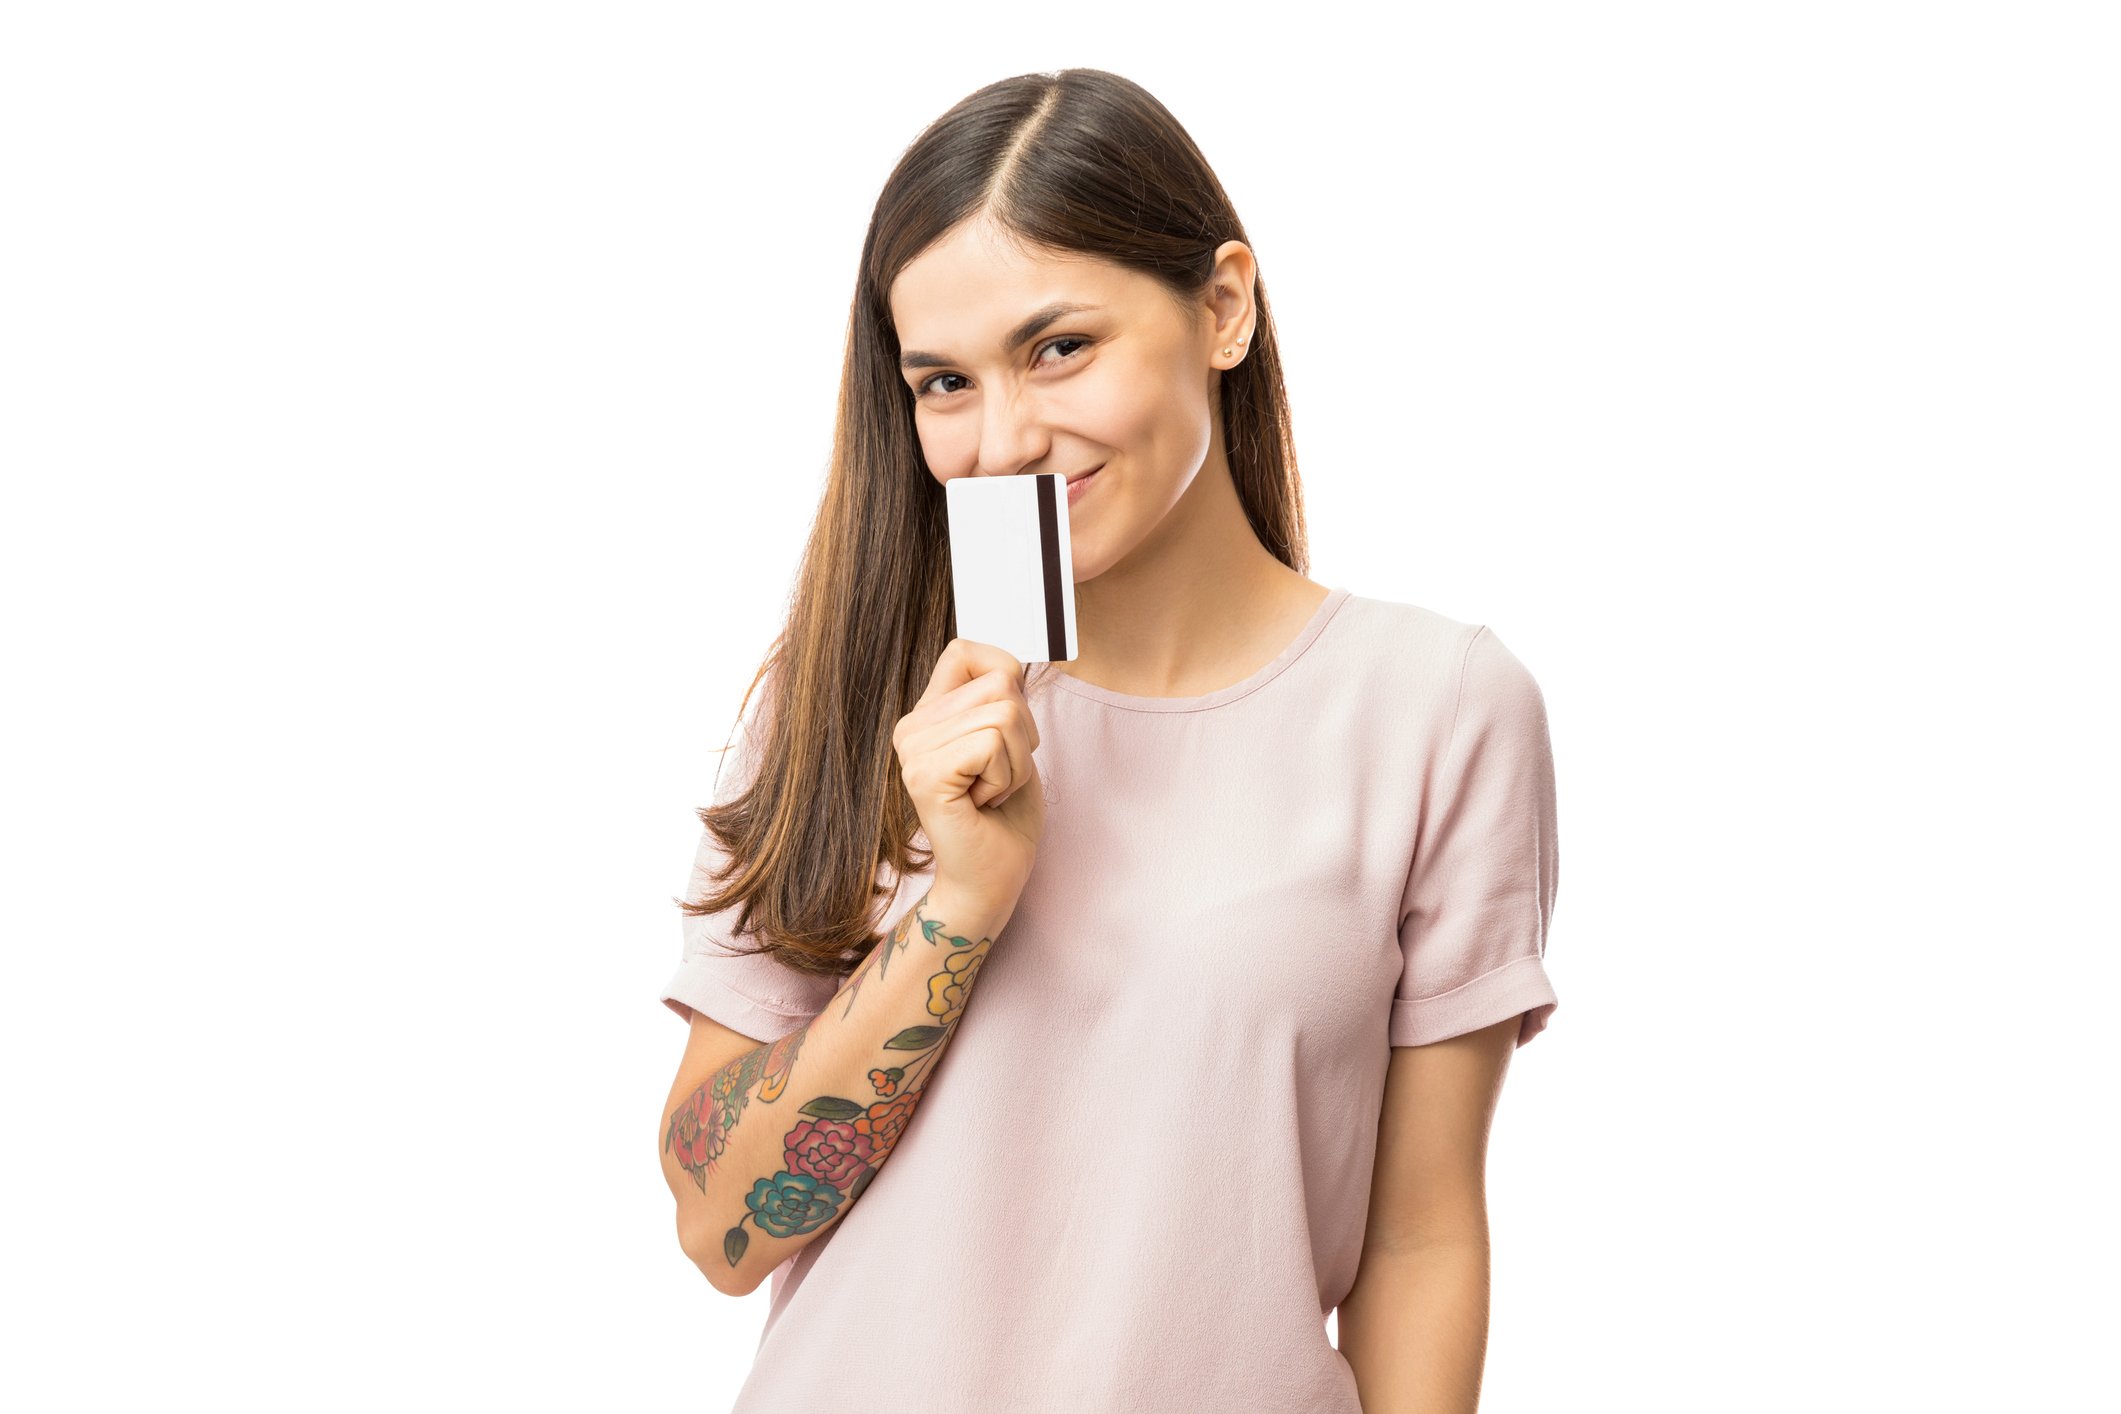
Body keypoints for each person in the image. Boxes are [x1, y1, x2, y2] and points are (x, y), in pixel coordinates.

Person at [654, 67, 1561, 1414]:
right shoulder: (846, 696)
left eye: (1058, 347)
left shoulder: (1435, 709)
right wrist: (956, 906)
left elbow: (1416, 1240)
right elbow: (722, 1224)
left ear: (1223, 308)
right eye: (944, 381)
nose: (1004, 438)